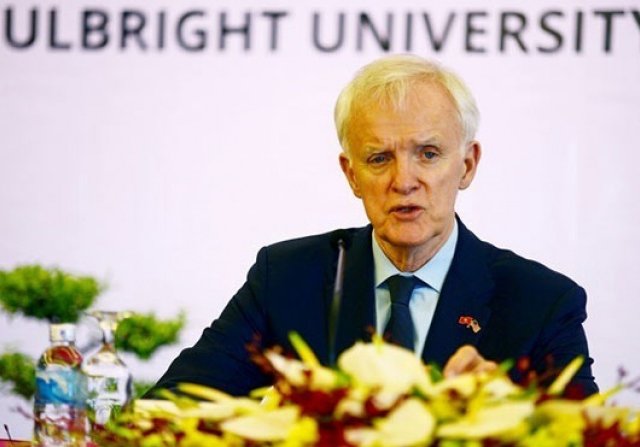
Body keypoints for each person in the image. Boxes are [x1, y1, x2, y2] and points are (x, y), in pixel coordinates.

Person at [149, 55, 598, 397]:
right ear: (351, 174)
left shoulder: (539, 303)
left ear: (467, 165)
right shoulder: (286, 278)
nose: (403, 181)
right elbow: (174, 405)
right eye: (379, 158)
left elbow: (588, 436)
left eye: (428, 154)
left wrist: (508, 411)